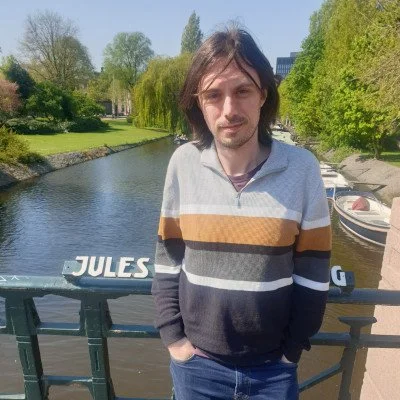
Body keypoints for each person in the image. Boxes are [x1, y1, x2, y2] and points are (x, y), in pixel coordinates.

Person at [152, 26, 331, 400]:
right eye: (213, 95)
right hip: (196, 370)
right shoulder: (183, 163)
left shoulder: (302, 169)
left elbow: (313, 272)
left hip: (273, 374)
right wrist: (174, 341)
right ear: (199, 103)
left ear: (263, 94)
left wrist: (291, 352)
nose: (229, 110)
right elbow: (168, 260)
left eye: (243, 91)